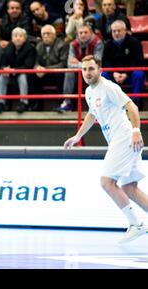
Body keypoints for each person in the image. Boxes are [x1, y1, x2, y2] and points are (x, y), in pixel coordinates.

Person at [64, 55, 148, 244]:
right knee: (129, 188)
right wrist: (78, 136)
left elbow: (132, 107)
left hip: (125, 138)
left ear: (99, 70)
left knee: (106, 182)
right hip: (119, 140)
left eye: (91, 69)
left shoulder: (109, 87)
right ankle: (137, 224)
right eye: (84, 69)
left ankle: (137, 224)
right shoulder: (89, 92)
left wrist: (136, 131)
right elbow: (92, 114)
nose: (87, 73)